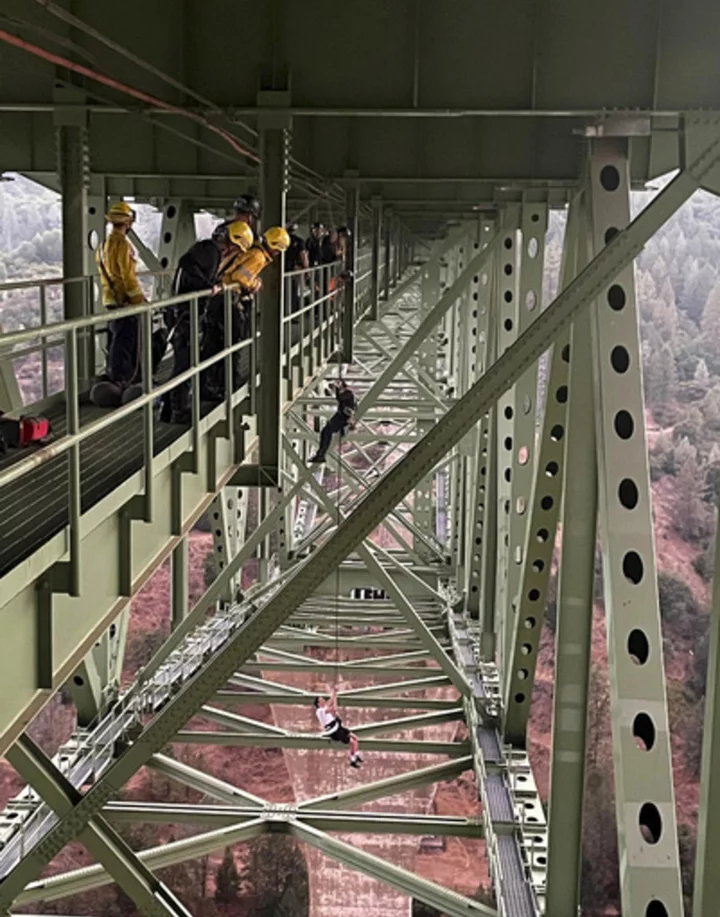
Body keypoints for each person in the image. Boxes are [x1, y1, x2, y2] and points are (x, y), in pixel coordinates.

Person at [161, 220, 253, 423]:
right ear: (232, 243)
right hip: (185, 315)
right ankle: (178, 410)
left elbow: (189, 268)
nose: (236, 253)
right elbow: (188, 265)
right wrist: (208, 287)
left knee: (185, 363)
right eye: (237, 249)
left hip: (184, 314)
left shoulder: (208, 250)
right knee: (185, 365)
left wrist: (211, 285)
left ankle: (169, 409)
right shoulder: (209, 250)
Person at [200, 226, 291, 395]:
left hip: (221, 297)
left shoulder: (254, 251)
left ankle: (214, 381)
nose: (278, 254)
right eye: (278, 250)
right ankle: (226, 381)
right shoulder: (258, 256)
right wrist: (255, 284)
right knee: (232, 340)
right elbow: (240, 277)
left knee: (216, 341)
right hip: (226, 299)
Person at [91, 201, 148, 408]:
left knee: (116, 336)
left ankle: (115, 375)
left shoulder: (104, 245)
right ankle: (123, 379)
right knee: (125, 338)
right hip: (123, 300)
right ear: (128, 222)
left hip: (110, 299)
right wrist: (138, 299)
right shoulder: (122, 244)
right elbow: (126, 276)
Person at [309, 377, 356, 464]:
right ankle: (320, 453)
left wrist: (337, 389)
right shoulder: (347, 393)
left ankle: (321, 454)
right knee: (325, 431)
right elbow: (340, 399)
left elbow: (340, 398)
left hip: (342, 417)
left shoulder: (349, 393)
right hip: (341, 416)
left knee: (327, 431)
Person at [314, 689, 362, 768]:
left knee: (355, 738)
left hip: (338, 727)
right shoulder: (319, 711)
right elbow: (333, 708)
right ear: (318, 703)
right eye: (321, 700)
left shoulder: (324, 708)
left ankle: (355, 756)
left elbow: (330, 702)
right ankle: (353, 760)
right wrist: (335, 698)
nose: (323, 700)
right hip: (334, 730)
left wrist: (334, 694)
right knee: (352, 742)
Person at [285, 222, 308, 314]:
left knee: (285, 291)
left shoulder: (282, 240)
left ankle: (285, 312)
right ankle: (292, 312)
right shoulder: (299, 241)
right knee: (293, 291)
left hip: (283, 269)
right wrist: (306, 269)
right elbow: (304, 257)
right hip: (294, 270)